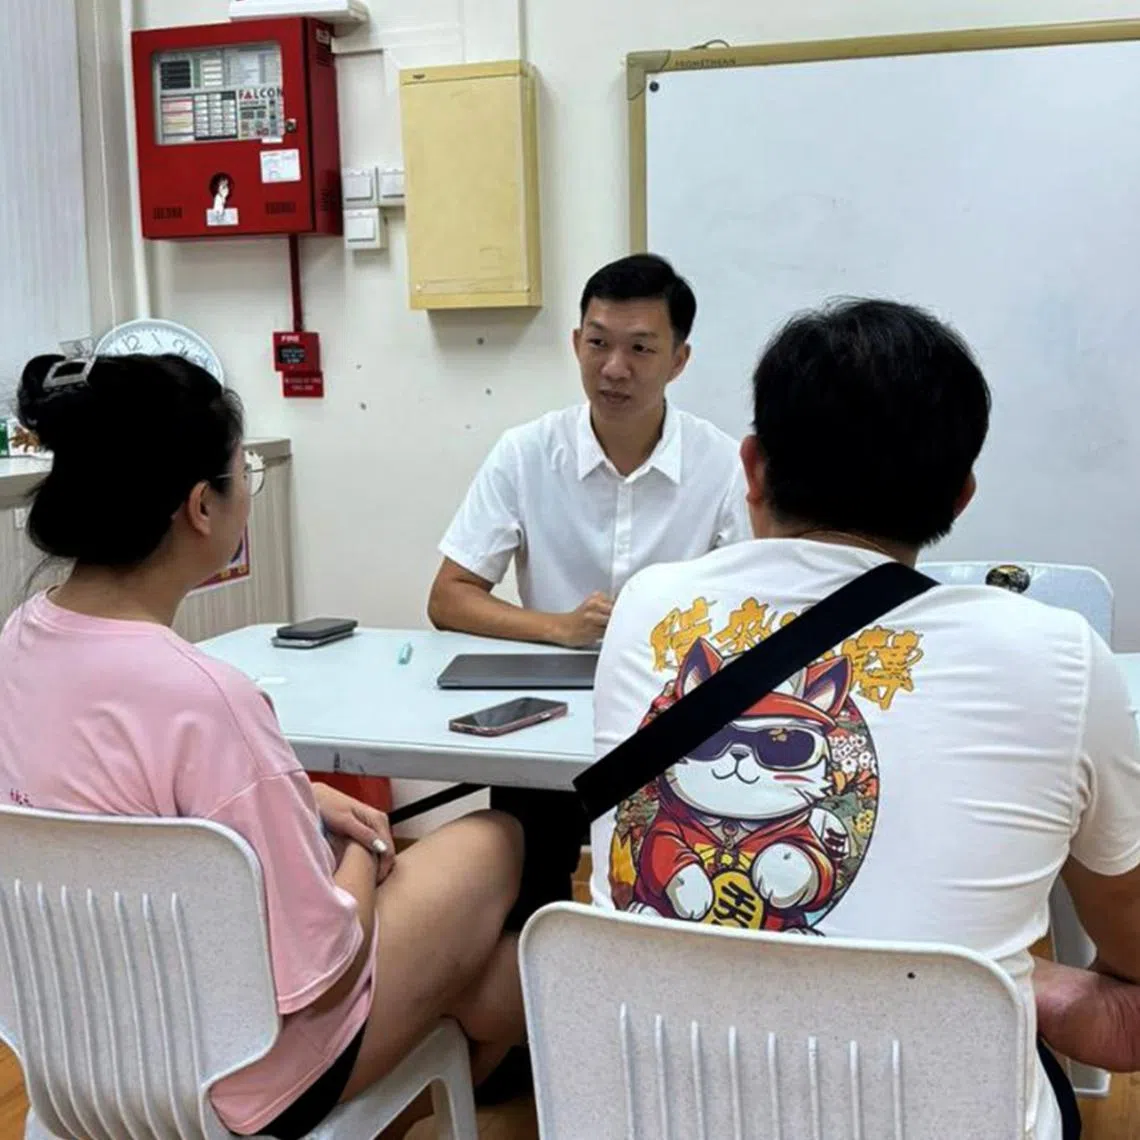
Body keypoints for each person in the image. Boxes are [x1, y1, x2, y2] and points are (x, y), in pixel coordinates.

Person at [590, 299, 1140, 1140]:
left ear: (752, 468)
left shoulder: (648, 606)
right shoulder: (1059, 656)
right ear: (959, 495)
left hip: (655, 1108)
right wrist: (1038, 991)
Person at [0, 353, 525, 1140]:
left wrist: (298, 797)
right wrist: (371, 854)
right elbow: (323, 970)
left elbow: (113, 808)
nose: (248, 489)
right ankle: (591, 1025)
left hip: (79, 1056)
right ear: (199, 508)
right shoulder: (206, 698)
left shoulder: (19, 641)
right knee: (495, 838)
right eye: (242, 471)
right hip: (244, 1080)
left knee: (474, 966)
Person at [428, 253, 751, 939]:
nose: (614, 368)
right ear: (576, 343)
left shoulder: (721, 464)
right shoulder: (525, 453)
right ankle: (519, 1019)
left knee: (685, 896)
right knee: (529, 885)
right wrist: (557, 628)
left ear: (680, 359)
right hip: (549, 712)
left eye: (641, 348)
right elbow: (450, 597)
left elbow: (755, 607)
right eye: (599, 343)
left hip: (675, 718)